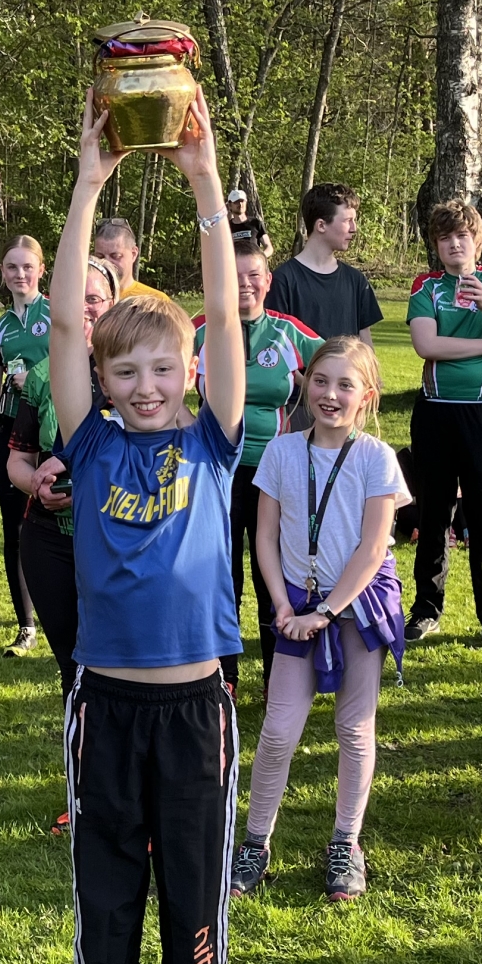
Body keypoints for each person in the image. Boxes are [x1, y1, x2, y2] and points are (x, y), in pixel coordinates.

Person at [48, 86, 248, 964]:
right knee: (108, 900)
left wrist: (203, 182)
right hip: (105, 706)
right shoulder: (87, 446)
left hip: (196, 707)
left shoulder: (215, 441)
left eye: (161, 368)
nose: (145, 382)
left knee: (196, 901)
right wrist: (89, 185)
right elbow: (70, 322)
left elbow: (222, 318)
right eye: (127, 372)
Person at [236, 337, 409, 904]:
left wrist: (326, 612)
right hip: (294, 606)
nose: (329, 394)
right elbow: (264, 535)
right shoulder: (283, 452)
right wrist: (283, 607)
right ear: (303, 384)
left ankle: (345, 844)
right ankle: (256, 843)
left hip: (357, 605)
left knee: (354, 729)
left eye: (344, 385)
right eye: (319, 381)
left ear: (367, 397)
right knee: (279, 729)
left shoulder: (376, 458)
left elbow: (372, 547)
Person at [193, 229, 321, 690]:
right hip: (216, 472)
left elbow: (343, 366)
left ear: (268, 281)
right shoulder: (201, 330)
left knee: (275, 576)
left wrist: (320, 419)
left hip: (276, 474)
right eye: (235, 276)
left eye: (254, 276)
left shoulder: (287, 332)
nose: (245, 284)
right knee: (222, 575)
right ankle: (222, 676)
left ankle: (278, 678)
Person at [404, 198, 482, 647]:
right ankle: (425, 609)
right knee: (434, 513)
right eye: (445, 238)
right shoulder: (428, 286)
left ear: (477, 241)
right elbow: (427, 345)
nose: (455, 244)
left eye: (462, 236)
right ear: (436, 246)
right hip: (436, 412)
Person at [6, 257, 123, 708]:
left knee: (112, 660)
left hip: (115, 537)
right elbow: (19, 457)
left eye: (94, 299)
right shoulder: (41, 375)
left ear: (111, 304)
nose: (85, 310)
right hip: (49, 541)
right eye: (76, 300)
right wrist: (35, 484)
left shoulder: (132, 374)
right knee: (72, 664)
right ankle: (81, 751)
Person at [0, 236, 49, 655]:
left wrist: (38, 377)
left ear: (41, 270)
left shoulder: (59, 315)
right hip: (9, 429)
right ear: (2, 274)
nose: (20, 275)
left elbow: (80, 366)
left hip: (53, 430)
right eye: (12, 268)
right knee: (15, 530)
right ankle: (25, 627)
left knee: (59, 525)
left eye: (27, 267)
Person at [266, 183, 382, 347]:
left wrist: (371, 373)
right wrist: (312, 375)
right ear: (321, 225)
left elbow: (365, 342)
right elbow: (276, 347)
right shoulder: (283, 281)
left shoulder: (355, 280)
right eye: (348, 221)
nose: (354, 228)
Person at [92, 218, 166, 301]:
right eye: (99, 257)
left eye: (115, 256)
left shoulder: (156, 300)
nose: (106, 262)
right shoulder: (85, 298)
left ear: (133, 254)